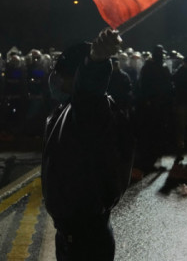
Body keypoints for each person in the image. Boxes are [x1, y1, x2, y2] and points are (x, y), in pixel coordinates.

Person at [42, 28, 134, 261]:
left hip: (86, 238)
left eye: (61, 74)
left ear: (77, 77)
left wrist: (95, 62)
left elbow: (89, 95)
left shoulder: (90, 111)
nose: (55, 78)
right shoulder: (66, 109)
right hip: (70, 234)